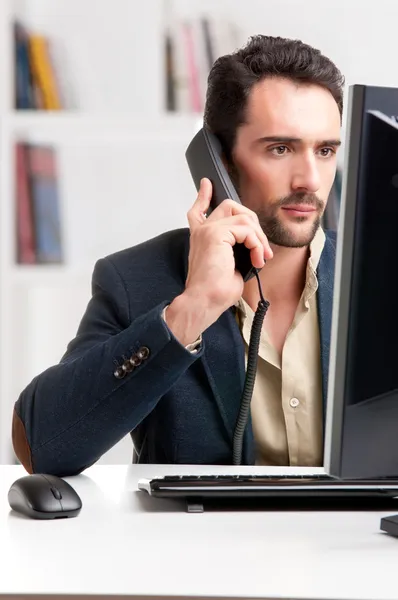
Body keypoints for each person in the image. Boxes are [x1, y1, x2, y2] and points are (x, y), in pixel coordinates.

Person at [12, 35, 344, 476]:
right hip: (199, 544)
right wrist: (191, 310)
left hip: (356, 545)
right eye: (280, 149)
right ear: (219, 163)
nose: (309, 179)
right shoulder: (135, 279)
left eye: (325, 151)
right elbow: (42, 447)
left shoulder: (380, 275)